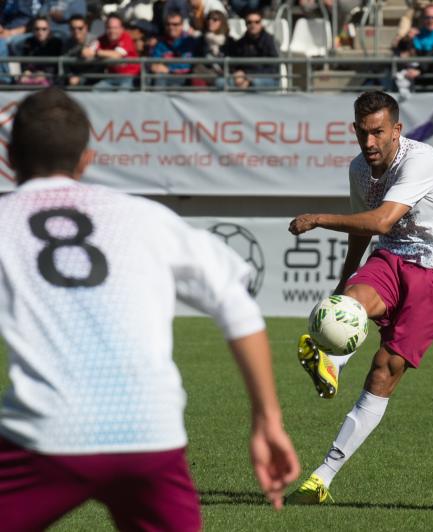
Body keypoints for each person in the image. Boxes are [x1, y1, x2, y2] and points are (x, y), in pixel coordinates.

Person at [0, 88, 300, 529]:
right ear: (86, 158)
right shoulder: (145, 217)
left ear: (9, 155)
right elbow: (238, 308)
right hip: (148, 430)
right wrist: (268, 419)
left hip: (46, 433)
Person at [285, 90, 433, 504]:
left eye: (379, 133)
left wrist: (316, 218)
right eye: (363, 133)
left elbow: (382, 219)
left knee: (384, 370)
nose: (370, 143)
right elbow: (362, 231)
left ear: (397, 130)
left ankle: (322, 478)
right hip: (391, 257)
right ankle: (330, 361)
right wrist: (343, 282)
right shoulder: (359, 169)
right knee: (349, 305)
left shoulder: (422, 159)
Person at [393, 4, 433, 91]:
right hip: (421, 82)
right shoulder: (418, 34)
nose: (431, 20)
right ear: (423, 18)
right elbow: (399, 50)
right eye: (427, 17)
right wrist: (406, 39)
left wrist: (420, 70)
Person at [84, 13, 141, 90]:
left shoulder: (126, 37)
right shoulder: (102, 39)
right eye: (109, 28)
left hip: (130, 77)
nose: (112, 31)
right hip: (111, 77)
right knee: (95, 90)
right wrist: (88, 50)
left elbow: (116, 55)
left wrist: (97, 52)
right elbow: (88, 51)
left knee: (122, 95)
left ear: (122, 28)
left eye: (115, 28)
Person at [225, 9, 279, 90]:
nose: (253, 25)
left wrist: (249, 76)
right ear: (246, 24)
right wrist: (237, 73)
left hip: (265, 78)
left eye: (257, 22)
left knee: (254, 84)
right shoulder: (241, 42)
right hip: (243, 78)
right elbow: (235, 63)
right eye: (249, 22)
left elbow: (273, 69)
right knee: (221, 82)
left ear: (261, 24)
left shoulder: (270, 41)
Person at [151, 11, 199, 88]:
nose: (171, 27)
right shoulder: (161, 43)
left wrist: (168, 69)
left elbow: (186, 65)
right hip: (164, 76)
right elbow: (155, 60)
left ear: (182, 25)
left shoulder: (189, 41)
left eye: (175, 24)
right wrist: (154, 66)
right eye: (168, 24)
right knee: (153, 78)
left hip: (183, 77)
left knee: (168, 82)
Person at [18, 16, 62, 86]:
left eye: (44, 29)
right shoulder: (28, 42)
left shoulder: (56, 43)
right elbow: (24, 62)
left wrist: (44, 73)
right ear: (33, 30)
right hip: (32, 76)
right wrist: (26, 71)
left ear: (49, 29)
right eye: (37, 29)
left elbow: (56, 67)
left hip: (50, 79)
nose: (40, 32)